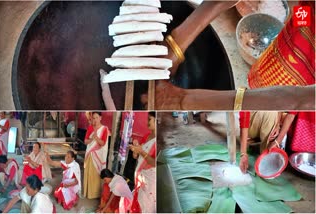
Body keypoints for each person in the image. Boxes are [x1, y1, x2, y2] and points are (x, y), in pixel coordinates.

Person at [150, 1, 315, 110]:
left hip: (303, 100)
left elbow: (300, 99)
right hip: (301, 34)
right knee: (282, 60)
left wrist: (185, 100)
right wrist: (177, 42)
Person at [129, 112, 156, 213]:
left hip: (150, 177)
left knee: (148, 204)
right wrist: (136, 150)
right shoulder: (146, 136)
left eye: (150, 119)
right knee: (140, 202)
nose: (147, 122)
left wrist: (140, 151)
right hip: (141, 174)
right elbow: (136, 156)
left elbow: (154, 163)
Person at [83, 112, 110, 199]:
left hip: (98, 155)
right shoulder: (90, 127)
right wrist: (92, 139)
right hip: (90, 155)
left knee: (96, 175)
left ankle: (96, 194)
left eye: (96, 117)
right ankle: (88, 193)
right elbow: (85, 141)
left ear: (100, 118)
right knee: (89, 174)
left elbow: (103, 143)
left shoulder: (104, 129)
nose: (95, 120)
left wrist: (96, 138)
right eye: (93, 118)